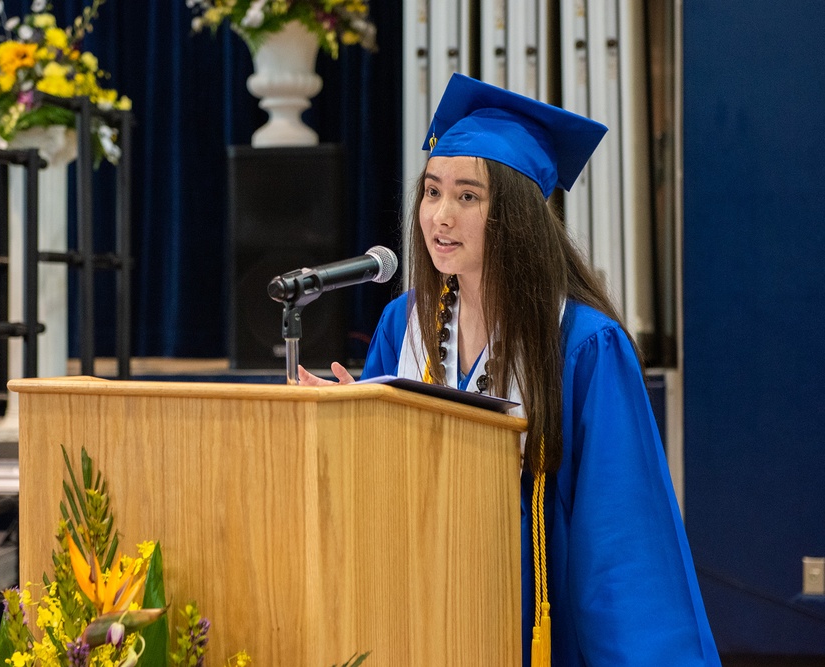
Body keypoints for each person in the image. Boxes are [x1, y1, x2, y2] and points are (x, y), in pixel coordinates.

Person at [300, 73, 720, 665]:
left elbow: (620, 541)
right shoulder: (405, 322)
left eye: (468, 196)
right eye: (432, 192)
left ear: (516, 215)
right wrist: (348, 420)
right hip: (420, 599)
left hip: (527, 606)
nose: (440, 217)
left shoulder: (582, 344)